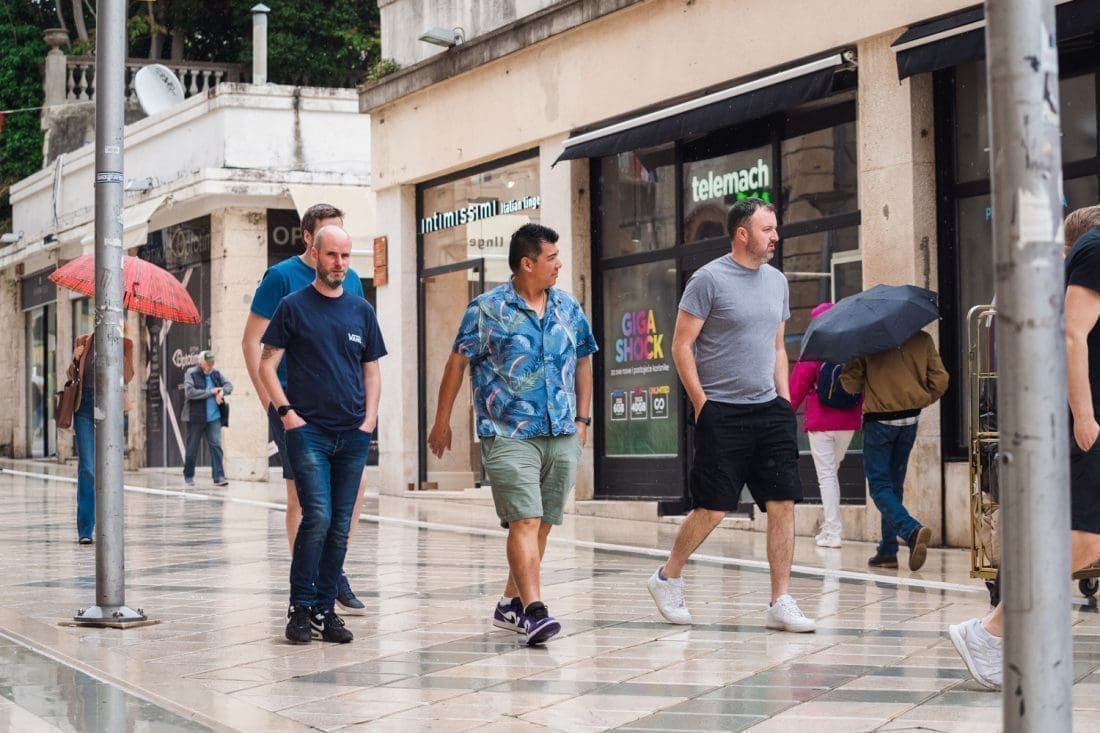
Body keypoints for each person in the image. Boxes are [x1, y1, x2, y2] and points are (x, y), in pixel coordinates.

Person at [647, 197, 816, 633]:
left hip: (770, 410)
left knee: (782, 503)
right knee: (714, 508)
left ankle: (780, 600)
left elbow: (778, 346)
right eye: (767, 229)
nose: (775, 236)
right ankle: (668, 577)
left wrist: (784, 400)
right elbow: (681, 345)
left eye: (775, 228)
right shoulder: (708, 280)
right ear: (743, 235)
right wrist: (702, 404)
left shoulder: (777, 281)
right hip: (722, 410)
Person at [950, 205, 1100, 690]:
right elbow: (1072, 336)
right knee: (1085, 540)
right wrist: (1084, 416)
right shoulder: (1095, 248)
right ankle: (989, 632)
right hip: (1082, 422)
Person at [427, 223, 596, 646]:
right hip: (507, 433)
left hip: (562, 431)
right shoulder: (486, 309)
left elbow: (583, 359)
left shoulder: (567, 306)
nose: (559, 264)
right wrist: (442, 421)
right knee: (525, 519)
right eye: (551, 257)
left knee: (542, 525)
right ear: (527, 263)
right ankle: (534, 612)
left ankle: (509, 603)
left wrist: (582, 421)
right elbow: (456, 364)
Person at [259, 225, 385, 645]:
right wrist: (286, 413)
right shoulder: (293, 306)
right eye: (332, 255)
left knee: (340, 525)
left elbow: (371, 370)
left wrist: (369, 420)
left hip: (353, 433)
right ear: (314, 254)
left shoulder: (361, 310)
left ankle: (325, 610)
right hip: (308, 430)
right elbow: (266, 364)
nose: (339, 263)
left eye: (345, 256)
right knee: (318, 516)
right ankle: (300, 608)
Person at [242, 204, 371, 615]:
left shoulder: (350, 279)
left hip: (343, 407)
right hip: (294, 406)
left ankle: (333, 570)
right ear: (309, 240)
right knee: (303, 497)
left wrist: (366, 406)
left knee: (354, 489)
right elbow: (252, 341)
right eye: (328, 239)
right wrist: (272, 404)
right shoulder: (281, 278)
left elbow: (359, 343)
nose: (338, 254)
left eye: (342, 241)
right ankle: (310, 581)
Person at [840, 325, 948, 572]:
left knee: (879, 486)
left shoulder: (866, 342)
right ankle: (888, 551)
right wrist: (920, 398)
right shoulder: (922, 338)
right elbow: (940, 380)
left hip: (879, 422)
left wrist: (851, 362)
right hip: (909, 421)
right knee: (894, 485)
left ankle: (911, 530)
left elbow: (850, 385)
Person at [788, 302, 863, 548]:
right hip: (848, 421)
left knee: (827, 475)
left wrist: (784, 413)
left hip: (821, 423)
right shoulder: (852, 349)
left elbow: (797, 387)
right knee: (832, 472)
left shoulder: (814, 350)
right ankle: (828, 526)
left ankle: (833, 531)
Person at [70, 330, 134, 543]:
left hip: (109, 407)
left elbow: (128, 376)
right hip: (84, 408)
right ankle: (85, 529)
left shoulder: (125, 344)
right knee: (88, 467)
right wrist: (75, 358)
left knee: (109, 467)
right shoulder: (84, 341)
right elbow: (71, 376)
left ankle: (109, 524)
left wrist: (121, 352)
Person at [182, 351, 233, 487]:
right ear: (200, 363)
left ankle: (219, 477)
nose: (211, 365)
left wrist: (222, 392)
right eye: (208, 363)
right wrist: (210, 392)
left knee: (216, 446)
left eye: (212, 362)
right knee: (192, 448)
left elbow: (229, 386)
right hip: (195, 417)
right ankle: (188, 475)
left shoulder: (216, 373)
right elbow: (189, 393)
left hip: (214, 417)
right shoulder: (191, 373)